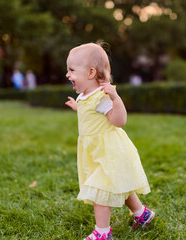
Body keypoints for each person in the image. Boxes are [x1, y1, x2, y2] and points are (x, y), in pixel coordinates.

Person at [65, 43, 154, 240]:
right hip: (95, 151)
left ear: (90, 73)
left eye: (71, 70)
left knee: (100, 189)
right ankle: (142, 214)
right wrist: (78, 108)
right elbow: (92, 115)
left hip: (110, 151)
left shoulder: (103, 96)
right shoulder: (84, 96)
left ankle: (103, 233)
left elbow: (119, 121)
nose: (67, 74)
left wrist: (116, 99)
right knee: (119, 185)